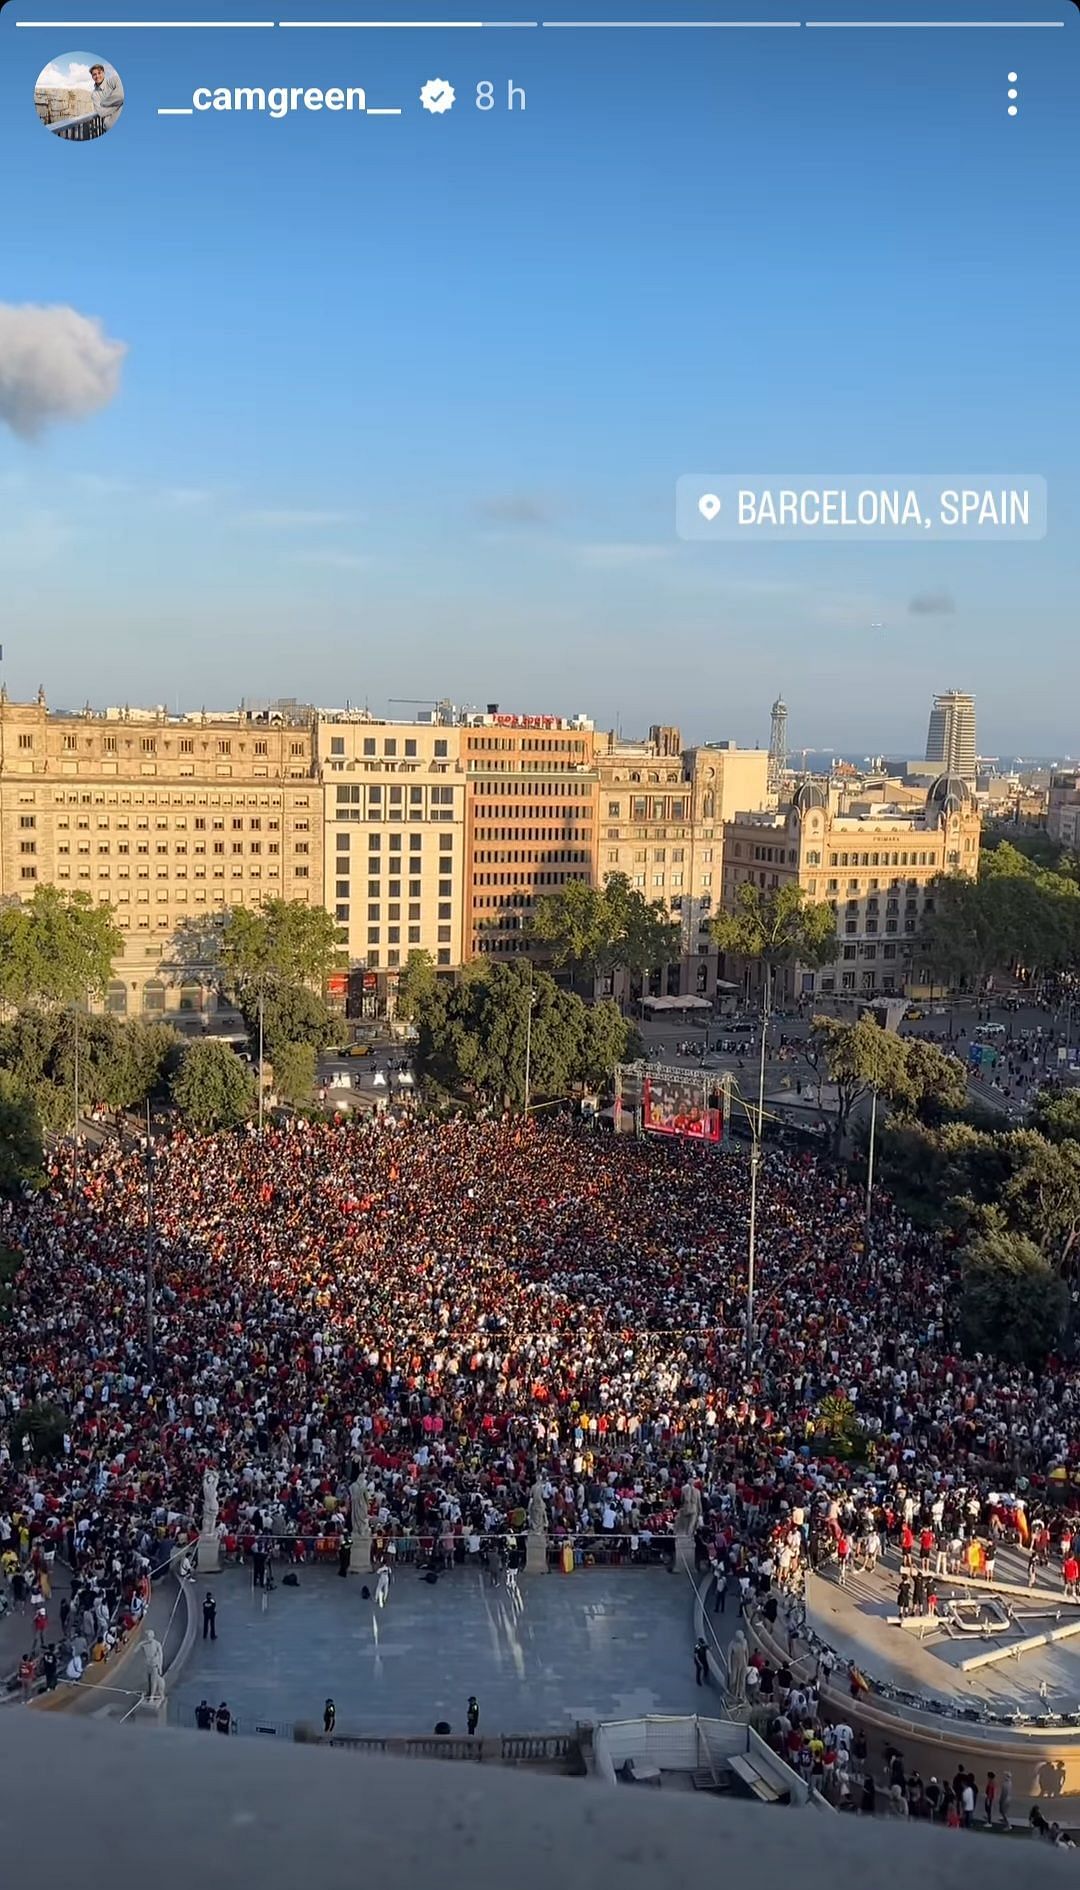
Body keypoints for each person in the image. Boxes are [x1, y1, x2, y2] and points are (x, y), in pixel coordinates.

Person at [88, 61, 124, 129]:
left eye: (99, 73)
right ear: (92, 77)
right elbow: (101, 113)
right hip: (110, 127)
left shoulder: (115, 80)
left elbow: (121, 96)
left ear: (104, 73)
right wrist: (119, 104)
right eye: (94, 74)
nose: (97, 76)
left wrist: (103, 103)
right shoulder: (94, 94)